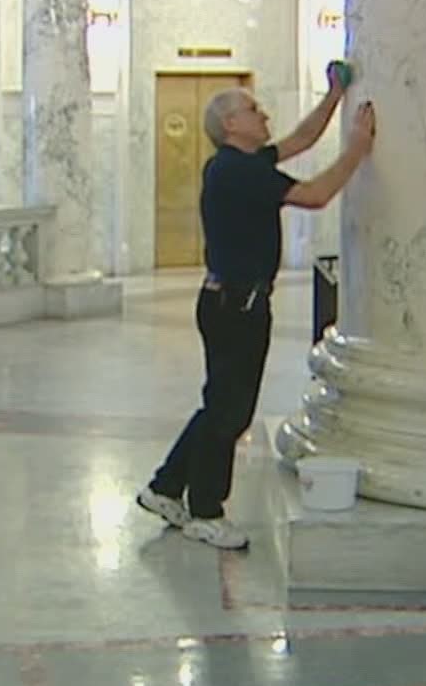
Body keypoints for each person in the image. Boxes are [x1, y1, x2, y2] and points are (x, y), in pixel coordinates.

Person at [136, 63, 377, 550]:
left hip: (228, 302)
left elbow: (300, 141)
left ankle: (164, 487)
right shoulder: (238, 171)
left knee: (219, 405)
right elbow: (315, 194)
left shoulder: (236, 165)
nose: (262, 113)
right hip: (237, 308)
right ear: (230, 125)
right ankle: (205, 510)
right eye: (251, 109)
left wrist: (335, 97)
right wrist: (358, 148)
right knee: (229, 413)